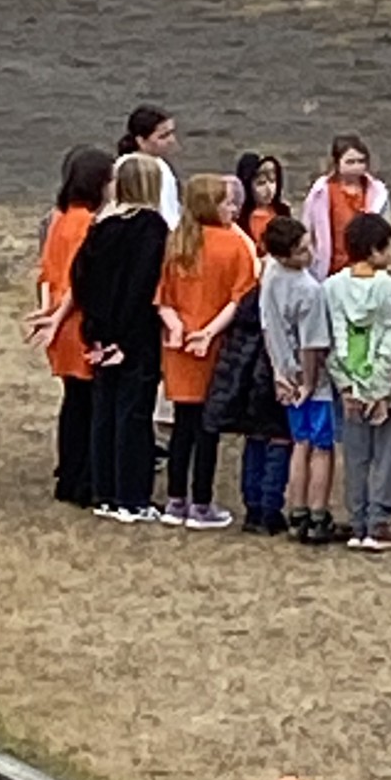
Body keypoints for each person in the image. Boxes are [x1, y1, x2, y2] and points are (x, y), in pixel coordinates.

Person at [156, 174, 259, 529]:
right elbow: (239, 298)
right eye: (226, 202)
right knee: (207, 429)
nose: (233, 208)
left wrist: (178, 327)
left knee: (182, 425)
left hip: (179, 349)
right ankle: (201, 503)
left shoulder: (178, 242)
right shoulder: (234, 244)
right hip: (213, 348)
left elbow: (162, 299)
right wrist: (209, 331)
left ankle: (174, 500)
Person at [72, 153, 168, 523]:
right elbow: (142, 286)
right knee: (134, 414)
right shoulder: (150, 227)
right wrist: (123, 340)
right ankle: (132, 497)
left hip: (99, 333)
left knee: (105, 412)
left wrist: (96, 332)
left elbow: (80, 279)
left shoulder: (100, 226)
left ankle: (105, 492)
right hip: (134, 336)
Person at [26, 146, 113, 508]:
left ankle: (68, 473)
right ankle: (84, 479)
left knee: (73, 403)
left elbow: (48, 273)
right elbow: (83, 280)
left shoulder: (60, 218)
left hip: (60, 327)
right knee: (90, 405)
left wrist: (46, 313)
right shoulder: (88, 225)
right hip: (76, 322)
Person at [325, 211, 391, 552]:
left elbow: (333, 338)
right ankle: (378, 521)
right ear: (374, 250)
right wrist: (380, 389)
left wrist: (347, 385)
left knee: (355, 455)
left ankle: (357, 521)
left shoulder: (331, 287)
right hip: (385, 389)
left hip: (348, 386)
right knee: (386, 454)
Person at [260, 214, 339, 546]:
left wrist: (280, 372)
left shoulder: (270, 275)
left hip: (284, 372)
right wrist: (309, 382)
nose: (312, 254)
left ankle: (297, 511)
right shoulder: (308, 290)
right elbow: (312, 344)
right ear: (285, 255)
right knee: (322, 447)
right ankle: (318, 514)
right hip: (310, 379)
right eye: (303, 250)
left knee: (299, 443)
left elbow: (268, 326)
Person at [202, 282, 292, 536]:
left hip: (246, 375)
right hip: (273, 373)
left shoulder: (251, 296)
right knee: (279, 440)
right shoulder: (289, 290)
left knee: (255, 440)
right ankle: (269, 509)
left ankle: (253, 507)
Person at [302, 135, 391, 281]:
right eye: (350, 162)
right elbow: (308, 225)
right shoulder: (321, 191)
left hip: (366, 264)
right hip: (331, 265)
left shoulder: (377, 192)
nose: (356, 167)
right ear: (337, 163)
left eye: (361, 161)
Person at [116, 104, 181, 230]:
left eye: (171, 133)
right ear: (141, 140)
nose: (171, 140)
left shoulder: (161, 164)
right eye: (163, 136)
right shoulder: (129, 167)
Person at [234, 152, 289, 253]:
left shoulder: (282, 212)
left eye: (273, 181)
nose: (269, 189)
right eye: (261, 183)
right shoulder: (239, 218)